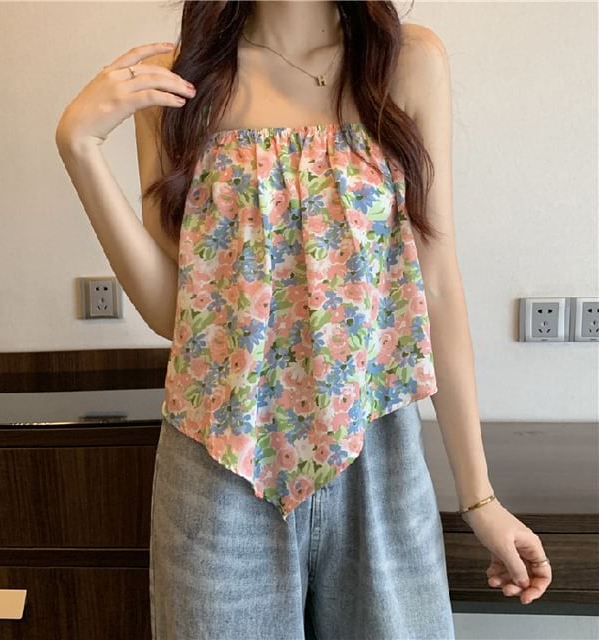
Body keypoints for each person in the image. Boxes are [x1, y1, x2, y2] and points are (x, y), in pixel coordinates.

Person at [55, 1, 553, 638]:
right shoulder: (176, 80)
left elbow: (436, 283)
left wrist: (479, 498)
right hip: (219, 455)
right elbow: (175, 313)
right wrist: (80, 148)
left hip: (375, 444)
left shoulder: (404, 63)